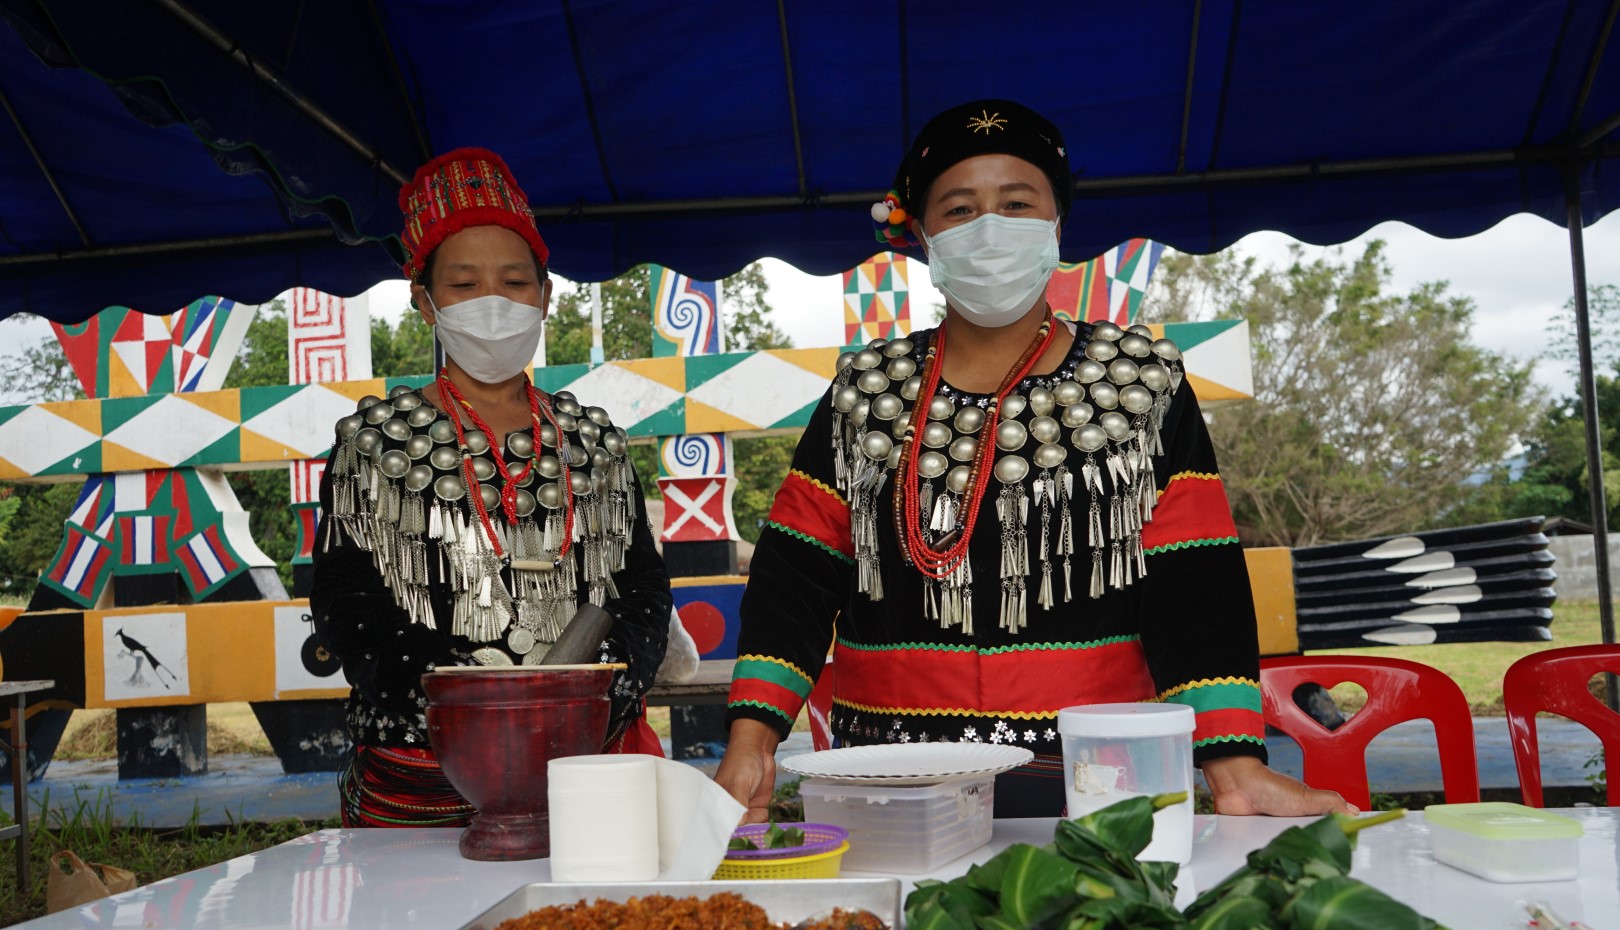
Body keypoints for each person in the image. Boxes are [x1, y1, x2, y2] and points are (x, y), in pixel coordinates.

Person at [715, 101, 1352, 822]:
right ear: (922, 235)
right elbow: (795, 573)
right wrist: (754, 738)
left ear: (1057, 225)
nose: (990, 227)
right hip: (893, 780)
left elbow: (1196, 581)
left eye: (1017, 203)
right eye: (959, 209)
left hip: (1101, 780)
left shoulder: (1141, 385)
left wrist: (1232, 767)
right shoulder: (866, 390)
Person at [312, 147, 671, 828]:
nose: (492, 303)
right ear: (425, 302)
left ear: (545, 296)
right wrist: (453, 694)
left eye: (513, 282)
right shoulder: (372, 443)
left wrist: (609, 683)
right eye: (464, 285)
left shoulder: (596, 441)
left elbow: (644, 585)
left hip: (585, 762)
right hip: (420, 770)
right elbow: (343, 597)